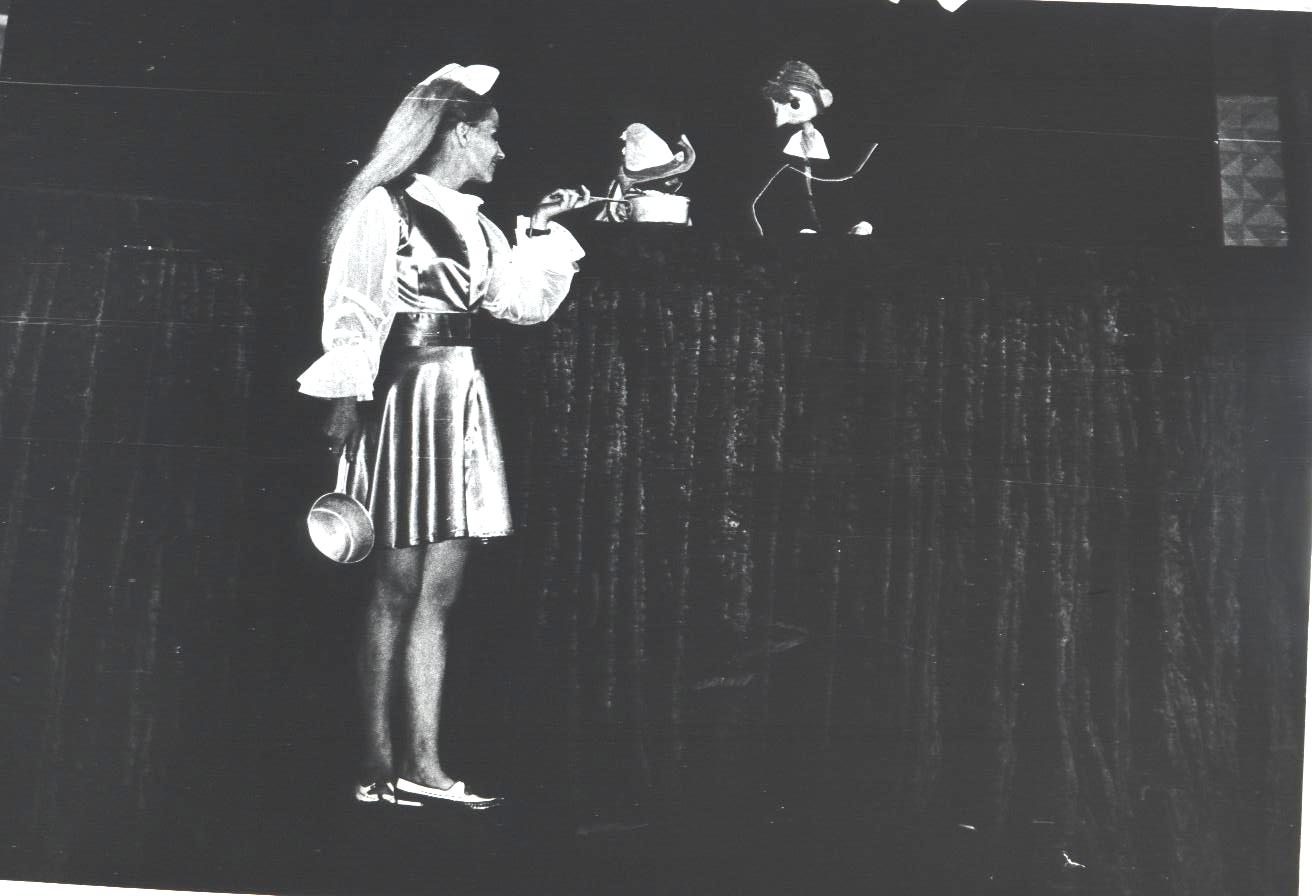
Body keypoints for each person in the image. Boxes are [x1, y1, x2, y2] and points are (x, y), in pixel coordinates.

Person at [297, 62, 589, 809]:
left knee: (440, 590)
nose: (501, 150)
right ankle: (375, 763)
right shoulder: (385, 208)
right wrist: (346, 400)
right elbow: (355, 308)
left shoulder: (481, 225)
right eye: (492, 136)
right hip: (403, 395)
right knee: (394, 586)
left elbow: (519, 303)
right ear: (459, 133)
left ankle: (423, 765)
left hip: (461, 396)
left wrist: (542, 232)